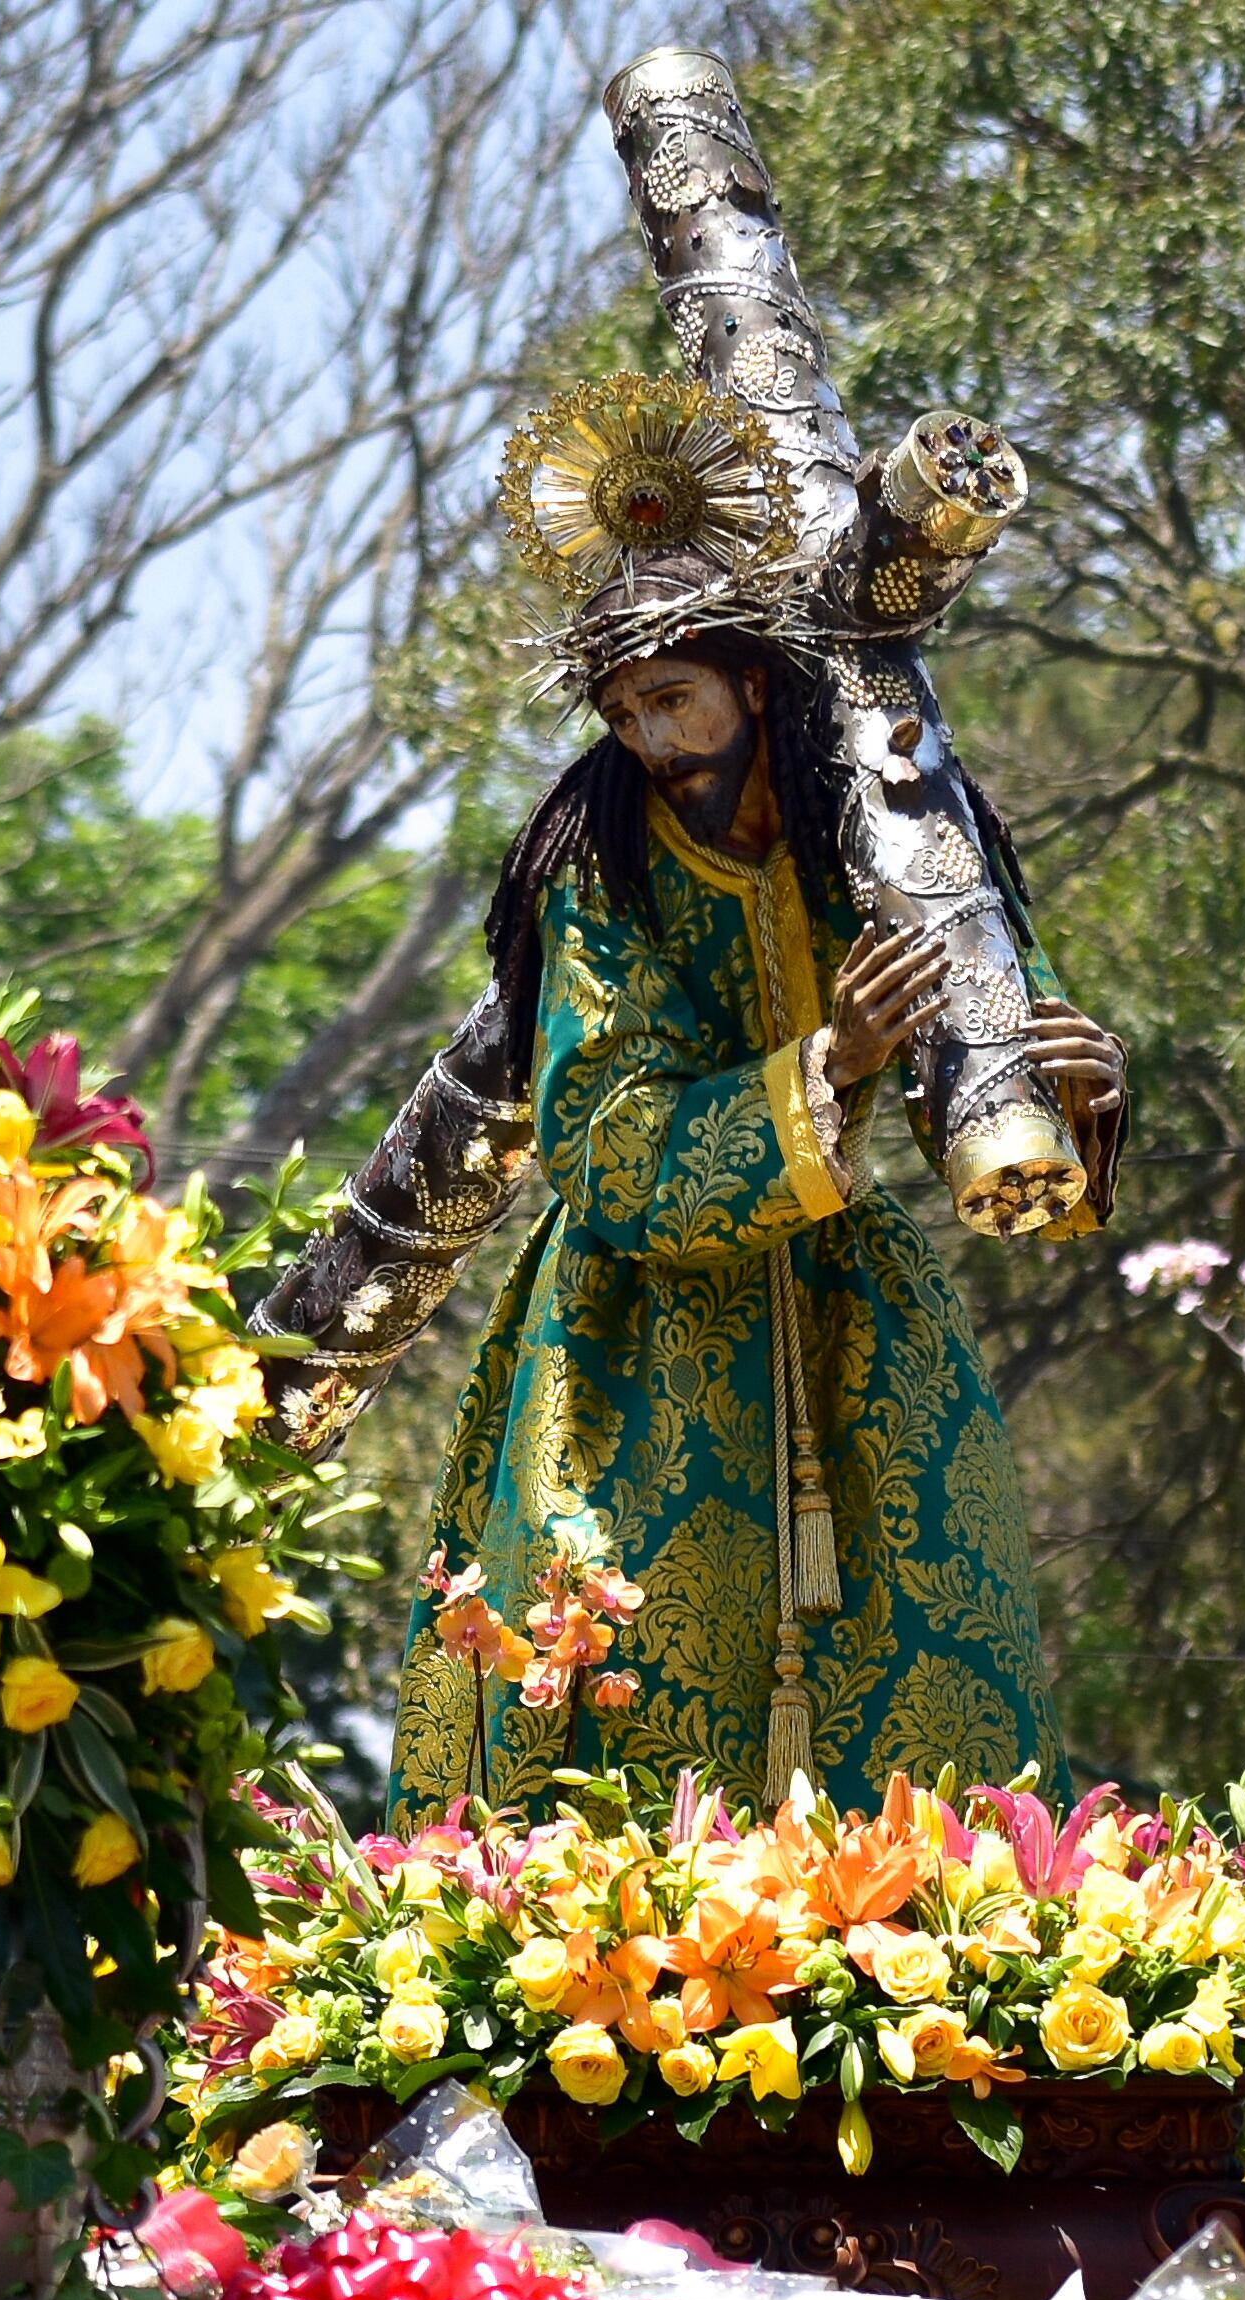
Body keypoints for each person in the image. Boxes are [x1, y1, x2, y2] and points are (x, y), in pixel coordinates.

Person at [383, 600, 1126, 1817]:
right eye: (624, 713)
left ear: (759, 684)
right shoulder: (597, 863)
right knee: (609, 1708)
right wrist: (827, 1067)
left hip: (861, 1332)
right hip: (631, 1342)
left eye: (674, 697)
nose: (649, 739)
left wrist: (1078, 1101)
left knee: (930, 1701)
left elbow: (1000, 1109)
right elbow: (606, 1136)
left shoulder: (893, 826)